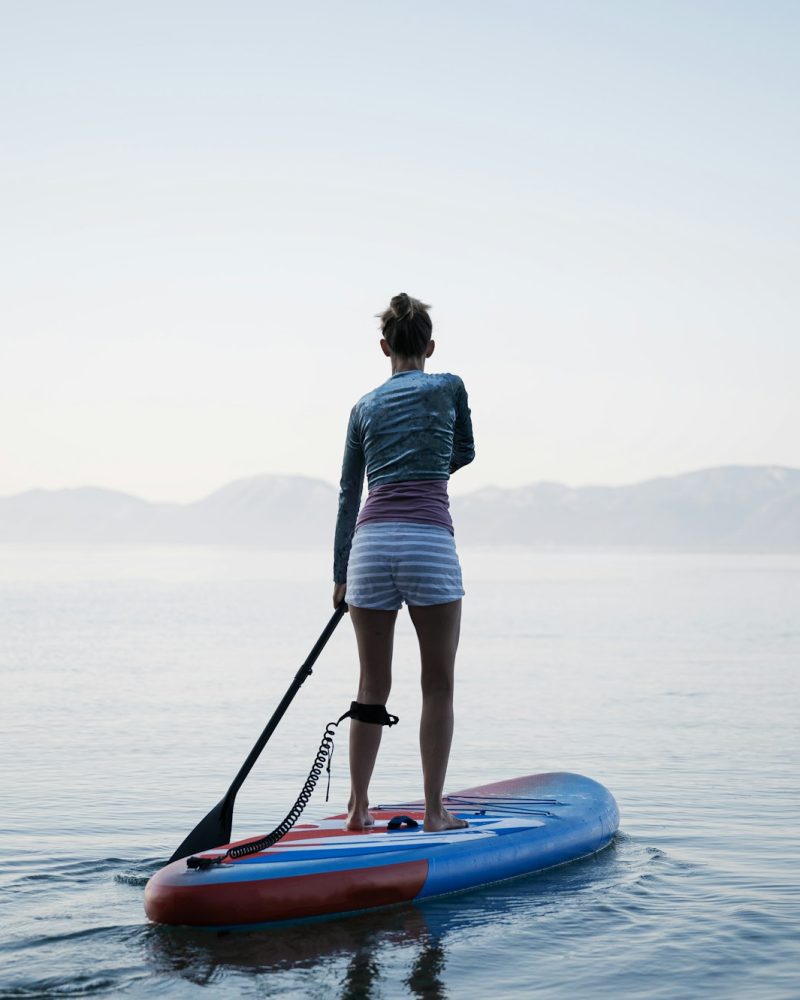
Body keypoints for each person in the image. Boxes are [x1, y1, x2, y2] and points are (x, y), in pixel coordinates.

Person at [332, 293, 475, 833]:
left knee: (372, 684)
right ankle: (436, 812)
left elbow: (349, 492)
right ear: (430, 347)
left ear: (384, 346)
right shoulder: (449, 386)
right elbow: (464, 450)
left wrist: (340, 574)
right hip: (427, 542)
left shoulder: (363, 407)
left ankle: (357, 808)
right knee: (437, 683)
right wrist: (429, 460)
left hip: (368, 546)